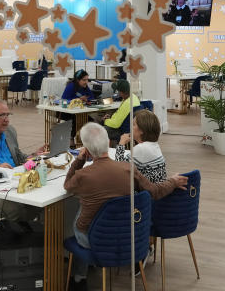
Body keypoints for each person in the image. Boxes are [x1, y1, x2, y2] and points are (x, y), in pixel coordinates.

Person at [64, 123, 187, 291]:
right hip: (129, 236)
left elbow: (67, 185)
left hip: (94, 240)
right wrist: (172, 181)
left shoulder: (83, 176)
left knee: (81, 211)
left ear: (86, 149)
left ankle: (79, 277)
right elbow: (155, 192)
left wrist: (79, 161)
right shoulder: (128, 168)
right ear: (108, 143)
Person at [114, 109, 166, 183]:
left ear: (142, 130)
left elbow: (118, 169)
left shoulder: (141, 149)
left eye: (133, 125)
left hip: (146, 193)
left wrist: (121, 143)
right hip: (156, 190)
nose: (131, 127)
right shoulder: (154, 145)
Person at [98, 80, 140, 144]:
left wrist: (105, 121)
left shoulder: (127, 103)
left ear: (122, 92)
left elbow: (116, 124)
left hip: (122, 131)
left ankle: (100, 151)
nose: (118, 94)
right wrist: (111, 117)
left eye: (118, 91)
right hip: (129, 129)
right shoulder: (134, 97)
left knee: (98, 131)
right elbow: (121, 116)